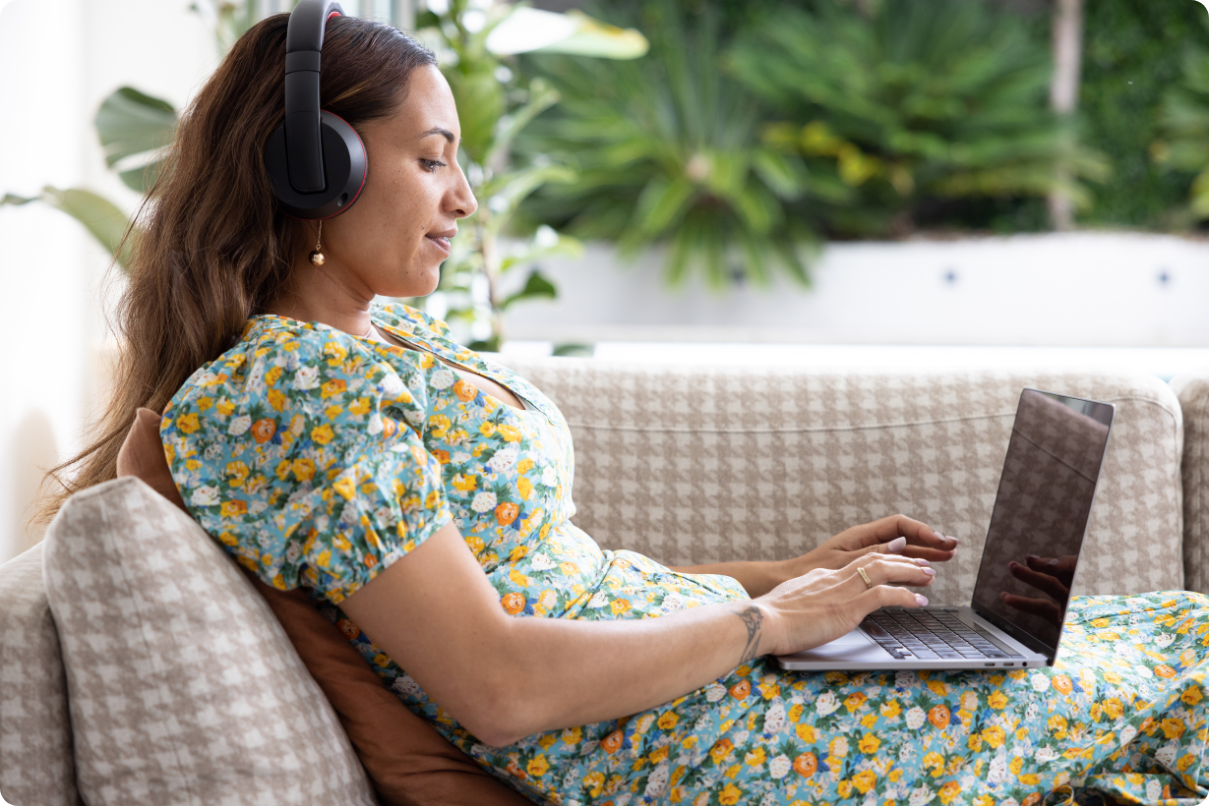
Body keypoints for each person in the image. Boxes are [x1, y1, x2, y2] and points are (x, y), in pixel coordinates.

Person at [46, 13, 1207, 806]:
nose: (465, 197)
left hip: (700, 679)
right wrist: (773, 622)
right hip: (678, 742)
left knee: (1166, 628)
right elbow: (497, 685)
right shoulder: (287, 390)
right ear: (316, 167)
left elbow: (544, 572)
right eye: (434, 159)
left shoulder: (370, 339)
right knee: (1189, 660)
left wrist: (780, 577)